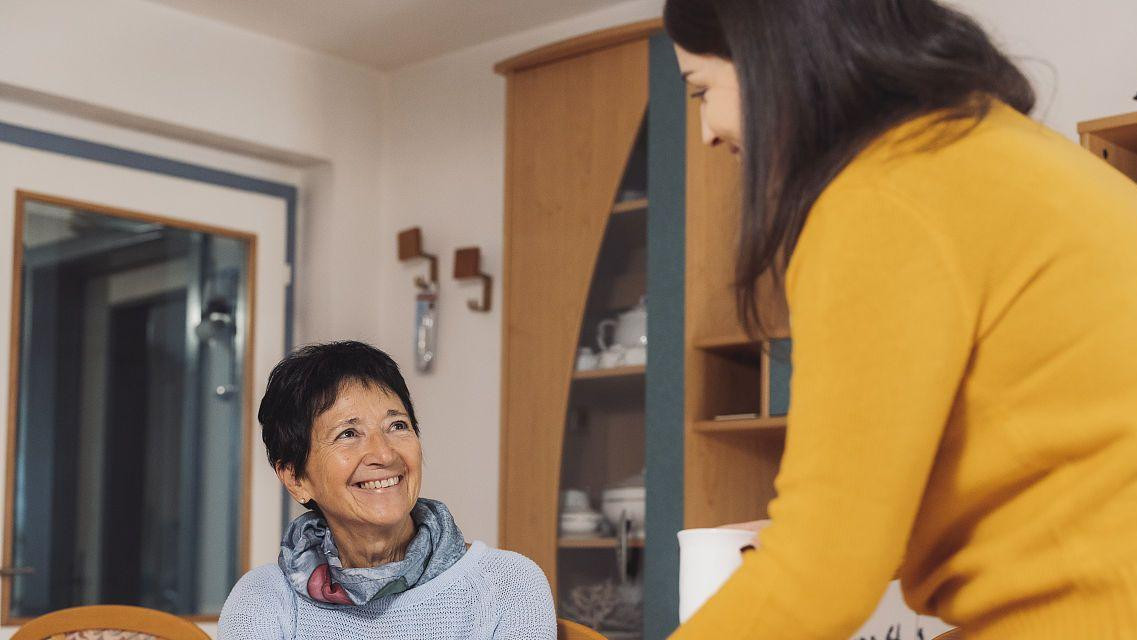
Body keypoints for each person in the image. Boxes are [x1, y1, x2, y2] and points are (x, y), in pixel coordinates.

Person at [664, 0, 1137, 638]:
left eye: (702, 91)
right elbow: (1047, 470)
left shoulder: (881, 198)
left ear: (773, 61)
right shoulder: (997, 152)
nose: (708, 133)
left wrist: (810, 538)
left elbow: (817, 581)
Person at [219, 341, 556, 639]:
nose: (384, 454)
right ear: (295, 478)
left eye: (397, 426)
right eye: (348, 434)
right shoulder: (263, 598)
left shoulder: (507, 584)